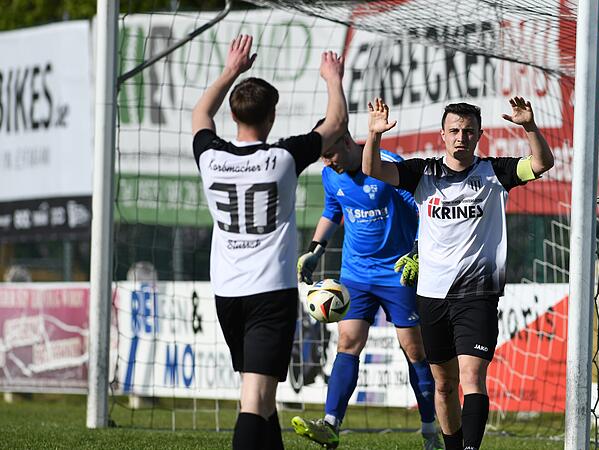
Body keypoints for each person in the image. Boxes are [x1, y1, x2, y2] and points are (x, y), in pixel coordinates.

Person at [362, 97, 554, 450]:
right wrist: (374, 135)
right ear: (443, 135)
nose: (461, 137)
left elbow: (543, 162)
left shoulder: (495, 172)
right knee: (444, 385)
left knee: (472, 377)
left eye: (468, 131)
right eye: (454, 131)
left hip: (477, 294)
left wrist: (529, 126)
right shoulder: (423, 173)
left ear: (479, 134)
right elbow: (374, 170)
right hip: (432, 296)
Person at [191, 34, 347, 449]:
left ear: (233, 113)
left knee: (264, 401)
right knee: (254, 399)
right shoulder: (281, 158)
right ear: (272, 116)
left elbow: (200, 113)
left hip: (227, 293)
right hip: (268, 295)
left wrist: (230, 70)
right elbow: (335, 126)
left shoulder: (211, 158)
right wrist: (333, 78)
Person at [290, 122, 443, 450]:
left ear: (346, 140)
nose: (328, 162)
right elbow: (333, 210)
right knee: (348, 343)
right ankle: (331, 425)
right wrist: (316, 250)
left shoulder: (386, 164)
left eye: (330, 154)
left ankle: (431, 429)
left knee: (414, 349)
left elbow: (422, 206)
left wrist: (417, 252)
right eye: (323, 158)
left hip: (398, 272)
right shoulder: (331, 173)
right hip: (356, 275)